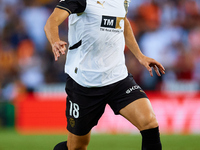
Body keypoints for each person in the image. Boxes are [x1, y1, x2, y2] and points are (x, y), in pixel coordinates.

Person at [44, 0, 165, 149]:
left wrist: (140, 56)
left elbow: (123, 22)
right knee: (76, 146)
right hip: (84, 82)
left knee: (149, 122)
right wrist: (55, 41)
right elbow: (52, 21)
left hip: (118, 78)